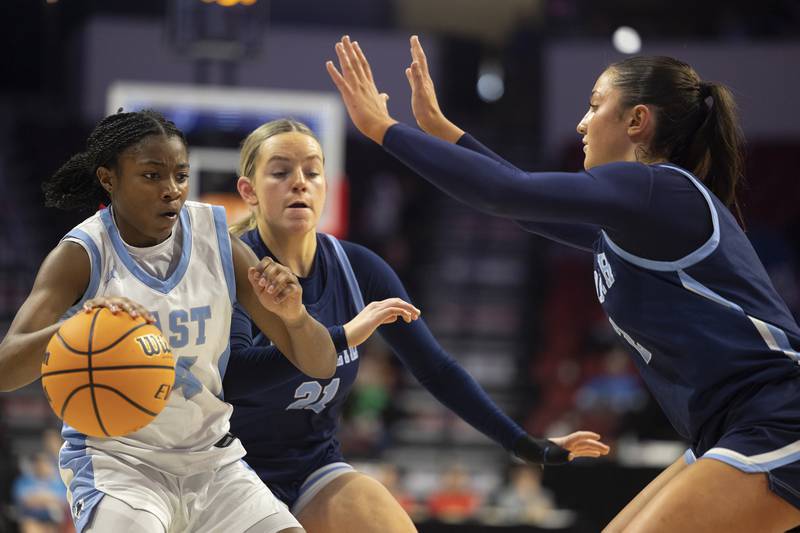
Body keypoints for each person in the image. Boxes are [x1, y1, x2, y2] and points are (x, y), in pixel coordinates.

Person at [326, 35, 800, 532]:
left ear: (637, 121)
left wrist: (381, 129)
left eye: (595, 106)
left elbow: (508, 192)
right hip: (730, 427)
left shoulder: (658, 187)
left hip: (778, 417)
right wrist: (442, 131)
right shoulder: (637, 216)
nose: (581, 123)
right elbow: (523, 205)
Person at [222, 118, 610, 533]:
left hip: (313, 466)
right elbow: (233, 378)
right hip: (233, 470)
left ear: (327, 185)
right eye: (281, 172)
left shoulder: (359, 268)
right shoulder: (230, 268)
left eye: (312, 172)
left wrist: (522, 443)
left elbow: (436, 369)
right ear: (249, 192)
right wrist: (340, 337)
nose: (299, 183)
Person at [0, 109, 339, 533]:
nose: (171, 191)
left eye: (180, 175)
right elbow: (6, 368)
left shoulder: (217, 239)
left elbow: (322, 364)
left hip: (213, 463)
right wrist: (80, 326)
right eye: (151, 176)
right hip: (119, 464)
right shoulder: (82, 255)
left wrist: (295, 315)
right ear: (109, 179)